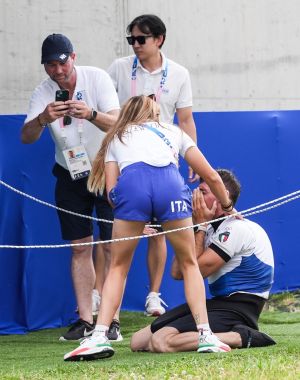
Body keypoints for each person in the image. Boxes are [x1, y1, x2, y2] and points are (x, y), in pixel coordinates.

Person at [63, 95, 236, 361]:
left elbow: (111, 193)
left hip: (132, 189)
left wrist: (136, 217)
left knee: (118, 267)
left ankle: (98, 336)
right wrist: (227, 205)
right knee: (189, 263)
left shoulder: (117, 135)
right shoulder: (173, 131)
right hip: (170, 184)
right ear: (154, 113)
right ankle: (205, 335)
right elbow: (211, 176)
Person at [21, 33, 120, 341]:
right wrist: (42, 118)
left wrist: (89, 114)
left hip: (106, 170)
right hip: (69, 174)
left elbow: (117, 124)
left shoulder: (98, 78)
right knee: (79, 247)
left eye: (61, 63)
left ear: (73, 57)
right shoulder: (43, 92)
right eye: (50, 65)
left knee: (111, 247)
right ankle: (86, 321)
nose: (57, 71)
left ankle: (111, 320)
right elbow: (26, 136)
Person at [105, 14, 198, 322]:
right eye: (131, 40)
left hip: (164, 156)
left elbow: (185, 120)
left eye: (140, 39)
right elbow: (109, 112)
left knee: (160, 231)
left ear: (159, 39)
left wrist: (190, 159)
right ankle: (107, 314)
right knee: (118, 235)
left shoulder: (179, 73)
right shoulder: (119, 68)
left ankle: (154, 295)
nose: (135, 45)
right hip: (128, 156)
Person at [130, 169, 276, 353]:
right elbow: (177, 272)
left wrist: (200, 227)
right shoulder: (208, 229)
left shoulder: (236, 228)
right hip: (218, 303)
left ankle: (243, 336)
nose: (194, 195)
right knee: (138, 341)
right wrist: (198, 227)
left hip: (240, 308)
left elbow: (195, 271)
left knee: (161, 342)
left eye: (203, 191)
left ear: (223, 197)